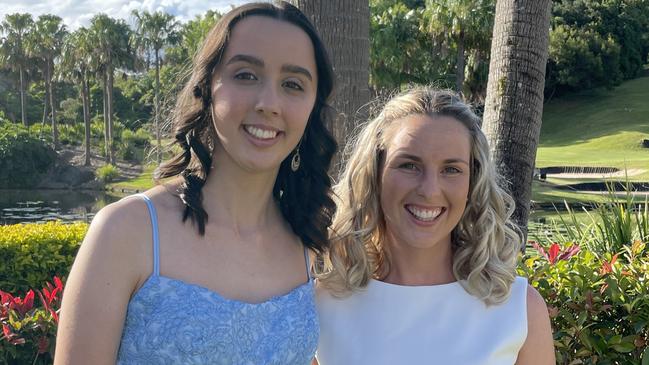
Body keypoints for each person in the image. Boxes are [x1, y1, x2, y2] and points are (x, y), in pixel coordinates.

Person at [55, 2, 337, 364]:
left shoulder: (308, 246)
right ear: (207, 87)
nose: (269, 103)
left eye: (293, 84)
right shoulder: (128, 232)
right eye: (246, 75)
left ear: (313, 106)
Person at [314, 87, 554, 364]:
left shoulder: (519, 309)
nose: (429, 190)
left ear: (472, 183)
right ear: (374, 173)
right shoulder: (323, 305)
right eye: (408, 165)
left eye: (451, 169)